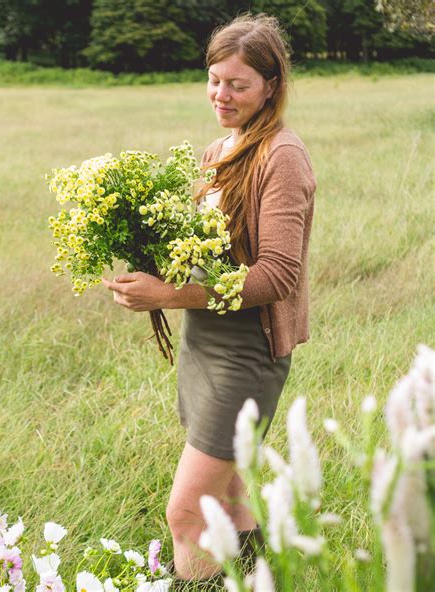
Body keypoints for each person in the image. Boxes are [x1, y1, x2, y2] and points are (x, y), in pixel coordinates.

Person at [101, 12, 317, 586]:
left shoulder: (282, 155)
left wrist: (169, 294)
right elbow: (200, 246)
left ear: (271, 85)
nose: (221, 94)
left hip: (247, 351)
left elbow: (276, 276)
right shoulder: (218, 149)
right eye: (215, 79)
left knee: (189, 510)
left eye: (238, 84)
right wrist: (133, 237)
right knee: (230, 497)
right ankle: (259, 579)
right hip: (206, 342)